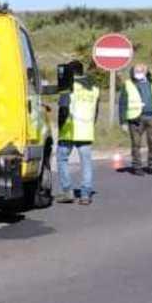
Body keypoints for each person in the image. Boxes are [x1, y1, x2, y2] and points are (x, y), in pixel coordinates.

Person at [57, 60, 100, 205]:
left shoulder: (67, 86)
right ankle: (85, 194)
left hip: (69, 128)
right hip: (86, 129)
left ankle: (67, 191)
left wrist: (60, 127)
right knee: (86, 163)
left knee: (62, 159)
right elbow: (96, 110)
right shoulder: (93, 87)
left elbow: (63, 108)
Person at [118, 62, 152, 175]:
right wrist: (123, 121)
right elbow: (122, 103)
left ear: (146, 72)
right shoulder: (128, 84)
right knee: (136, 144)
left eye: (141, 71)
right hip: (136, 118)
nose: (138, 73)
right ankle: (136, 166)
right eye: (136, 71)